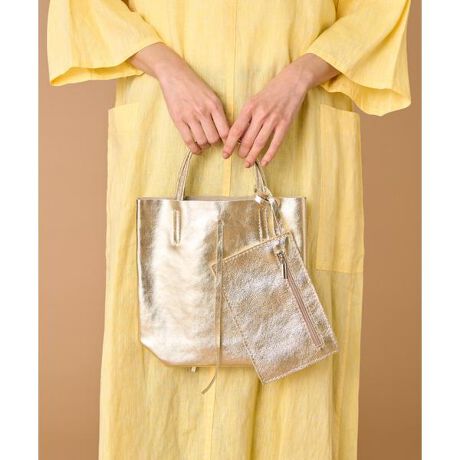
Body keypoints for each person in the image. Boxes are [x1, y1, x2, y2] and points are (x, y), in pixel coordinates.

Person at [47, 1, 411, 459]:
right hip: (170, 126)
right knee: (160, 358)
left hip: (296, 134)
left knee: (294, 361)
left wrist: (299, 76)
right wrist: (166, 68)